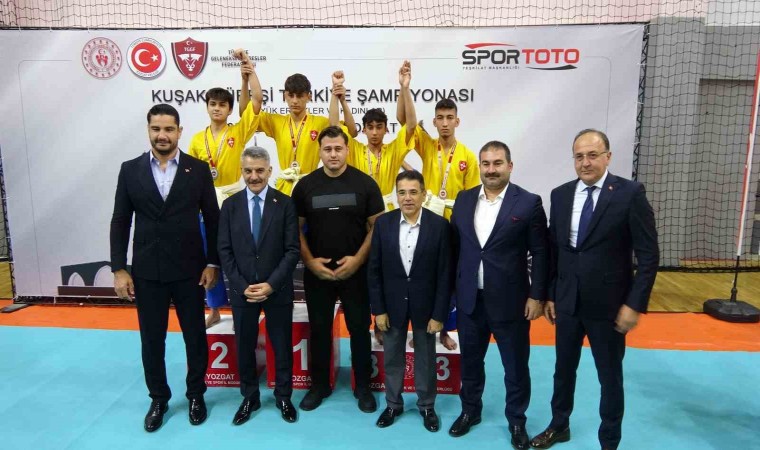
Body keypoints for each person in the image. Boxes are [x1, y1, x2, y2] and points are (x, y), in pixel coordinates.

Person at [530, 129, 659, 450]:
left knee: (609, 377)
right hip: (567, 303)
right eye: (579, 156)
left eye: (592, 155)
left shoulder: (630, 194)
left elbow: (648, 255)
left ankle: (609, 441)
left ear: (608, 157)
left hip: (610, 307)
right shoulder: (560, 195)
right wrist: (550, 294)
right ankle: (559, 425)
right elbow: (555, 249)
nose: (585, 162)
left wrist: (634, 304)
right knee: (563, 371)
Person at [110, 104, 219, 432]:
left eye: (169, 129)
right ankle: (158, 398)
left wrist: (212, 261)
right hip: (147, 272)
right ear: (148, 130)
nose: (162, 135)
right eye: (156, 129)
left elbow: (213, 219)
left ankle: (196, 394)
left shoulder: (198, 170)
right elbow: (120, 220)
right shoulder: (130, 170)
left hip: (190, 270)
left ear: (179, 132)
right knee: (152, 340)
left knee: (195, 337)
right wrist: (119, 268)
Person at [448, 141, 548, 450]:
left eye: (497, 163)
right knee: (470, 362)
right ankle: (470, 411)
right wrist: (452, 293)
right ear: (480, 166)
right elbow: (455, 249)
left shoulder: (528, 202)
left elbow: (541, 253)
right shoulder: (464, 200)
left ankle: (517, 420)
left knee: (515, 367)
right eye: (486, 163)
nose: (491, 170)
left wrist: (537, 296)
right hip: (470, 300)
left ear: (510, 166)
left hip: (511, 302)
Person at [291, 126, 384, 413]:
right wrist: (310, 262)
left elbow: (377, 227)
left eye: (338, 149)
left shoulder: (366, 184)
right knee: (319, 329)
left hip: (356, 273)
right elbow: (294, 229)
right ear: (319, 151)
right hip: (318, 273)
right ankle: (319, 386)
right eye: (328, 149)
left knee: (359, 328)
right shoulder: (304, 186)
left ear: (347, 150)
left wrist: (357, 260)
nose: (333, 154)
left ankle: (363, 387)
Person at [217, 146, 300, 425]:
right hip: (243, 291)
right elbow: (224, 250)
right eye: (248, 171)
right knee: (244, 345)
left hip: (277, 290)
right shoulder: (230, 206)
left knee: (282, 345)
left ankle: (284, 396)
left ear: (270, 171)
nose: (254, 176)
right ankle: (249, 397)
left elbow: (292, 250)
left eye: (260, 170)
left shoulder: (285, 204)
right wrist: (242, 286)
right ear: (241, 171)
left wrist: (271, 284)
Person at [367, 170, 451, 432]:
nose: (407, 198)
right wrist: (378, 310)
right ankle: (393, 404)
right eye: (402, 192)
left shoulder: (440, 226)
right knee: (392, 356)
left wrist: (439, 314)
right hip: (391, 305)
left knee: (426, 358)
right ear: (396, 196)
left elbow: (445, 274)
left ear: (424, 194)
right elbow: (374, 270)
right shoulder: (383, 224)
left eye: (413, 192)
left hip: (427, 306)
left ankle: (427, 406)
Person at [187, 48, 262, 328]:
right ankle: (215, 308)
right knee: (209, 256)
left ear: (230, 109)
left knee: (241, 253)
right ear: (207, 107)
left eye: (222, 105)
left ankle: (249, 304)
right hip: (206, 203)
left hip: (233, 200)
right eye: (212, 104)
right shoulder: (197, 140)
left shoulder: (238, 132)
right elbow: (191, 176)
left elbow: (256, 101)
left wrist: (248, 70)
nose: (217, 108)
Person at [329, 60, 417, 211]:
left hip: (387, 210)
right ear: (364, 130)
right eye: (370, 127)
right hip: (360, 210)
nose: (375, 132)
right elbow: (334, 126)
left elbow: (411, 125)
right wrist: (335, 92)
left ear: (386, 129)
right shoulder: (355, 150)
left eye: (379, 127)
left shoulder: (394, 150)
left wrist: (405, 88)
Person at [253, 69, 357, 195]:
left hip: (311, 186)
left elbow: (350, 131)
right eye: (291, 95)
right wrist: (248, 76)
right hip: (284, 188)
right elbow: (246, 113)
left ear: (309, 96)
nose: (295, 101)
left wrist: (336, 94)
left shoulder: (319, 123)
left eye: (300, 96)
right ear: (285, 96)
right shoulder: (276, 121)